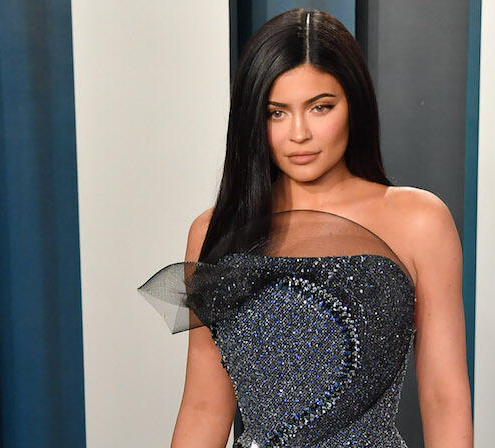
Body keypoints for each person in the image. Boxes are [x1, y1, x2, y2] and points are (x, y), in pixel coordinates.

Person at [138, 8, 472, 447]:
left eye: (320, 107)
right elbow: (204, 407)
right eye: (276, 113)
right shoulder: (215, 230)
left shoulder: (419, 220)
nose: (299, 133)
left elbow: (444, 398)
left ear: (354, 105)